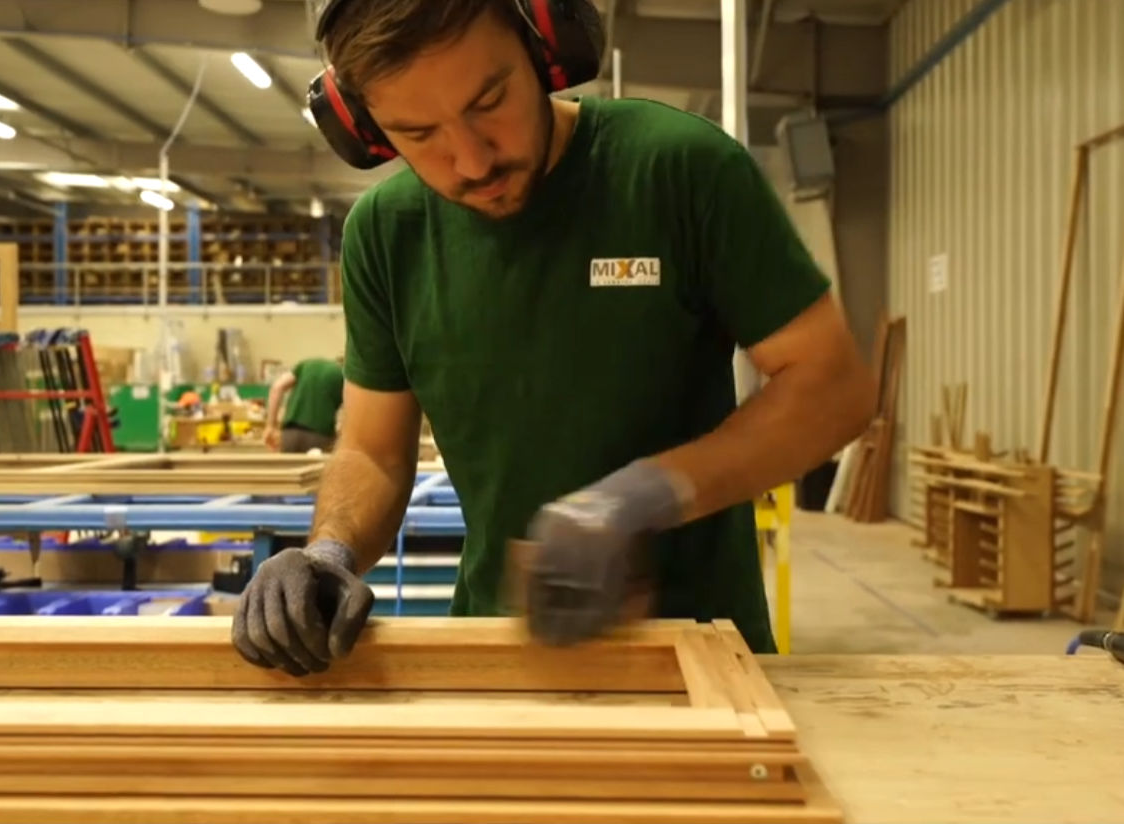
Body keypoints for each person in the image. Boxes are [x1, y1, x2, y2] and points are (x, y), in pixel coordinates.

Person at [230, 0, 877, 676]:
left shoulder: (675, 169)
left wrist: (639, 499)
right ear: (362, 128)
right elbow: (373, 451)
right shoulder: (385, 236)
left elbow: (830, 386)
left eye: (489, 100)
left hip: (700, 652)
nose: (471, 161)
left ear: (545, 42)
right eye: (419, 133)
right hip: (497, 651)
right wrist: (328, 551)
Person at [261, 357, 345, 454]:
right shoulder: (344, 376)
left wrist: (270, 426)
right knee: (316, 469)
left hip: (290, 434)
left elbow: (277, 387)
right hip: (320, 436)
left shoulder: (306, 365)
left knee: (289, 467)